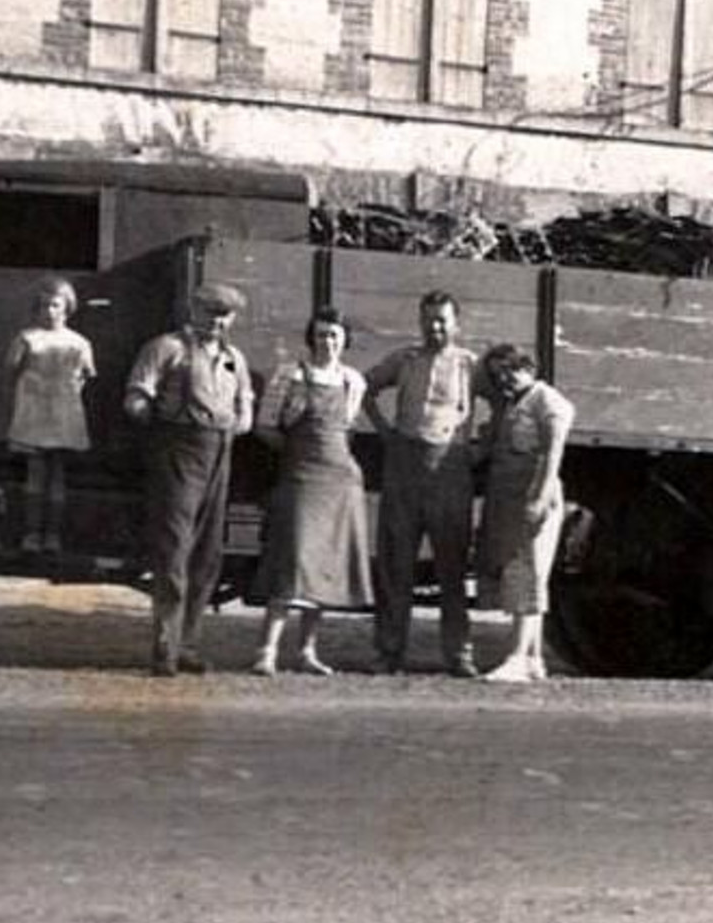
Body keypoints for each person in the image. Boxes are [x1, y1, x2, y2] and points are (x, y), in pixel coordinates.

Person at [124, 283, 255, 677]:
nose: (216, 321)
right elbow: (136, 396)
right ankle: (165, 644)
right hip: (177, 450)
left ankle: (189, 644)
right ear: (193, 309)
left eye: (224, 314)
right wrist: (153, 416)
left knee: (208, 553)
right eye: (209, 311)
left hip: (221, 451)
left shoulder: (235, 358)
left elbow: (245, 408)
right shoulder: (167, 348)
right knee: (174, 549)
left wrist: (237, 422)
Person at [362, 289, 481, 677]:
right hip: (404, 464)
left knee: (452, 565)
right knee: (396, 562)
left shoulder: (469, 365)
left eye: (442, 320)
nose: (434, 328)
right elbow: (365, 387)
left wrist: (483, 446)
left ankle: (458, 654)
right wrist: (385, 431)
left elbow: (507, 400)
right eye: (428, 320)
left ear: (456, 323)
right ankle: (389, 651)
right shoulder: (405, 359)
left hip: (449, 466)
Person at [250, 307, 374, 677]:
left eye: (335, 335)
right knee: (293, 561)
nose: (328, 342)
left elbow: (347, 427)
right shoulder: (290, 374)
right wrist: (296, 450)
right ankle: (267, 650)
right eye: (321, 335)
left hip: (340, 482)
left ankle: (307, 650)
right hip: (302, 478)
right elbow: (265, 427)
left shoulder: (353, 381)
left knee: (324, 567)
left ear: (344, 340)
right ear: (311, 339)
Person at [476, 343, 575, 683]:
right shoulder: (513, 404)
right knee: (527, 573)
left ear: (528, 368)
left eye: (510, 370)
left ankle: (518, 655)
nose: (504, 379)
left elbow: (552, 455)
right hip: (512, 497)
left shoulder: (548, 401)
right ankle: (533, 657)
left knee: (528, 573)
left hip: (533, 494)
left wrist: (539, 499)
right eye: (498, 374)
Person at [5, 276, 95, 554]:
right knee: (36, 472)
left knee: (57, 474)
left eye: (55, 305)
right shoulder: (27, 338)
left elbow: (88, 373)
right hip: (34, 408)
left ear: (67, 307)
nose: (49, 311)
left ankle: (53, 535)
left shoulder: (79, 343)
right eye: (43, 306)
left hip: (63, 410)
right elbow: (11, 369)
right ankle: (31, 535)